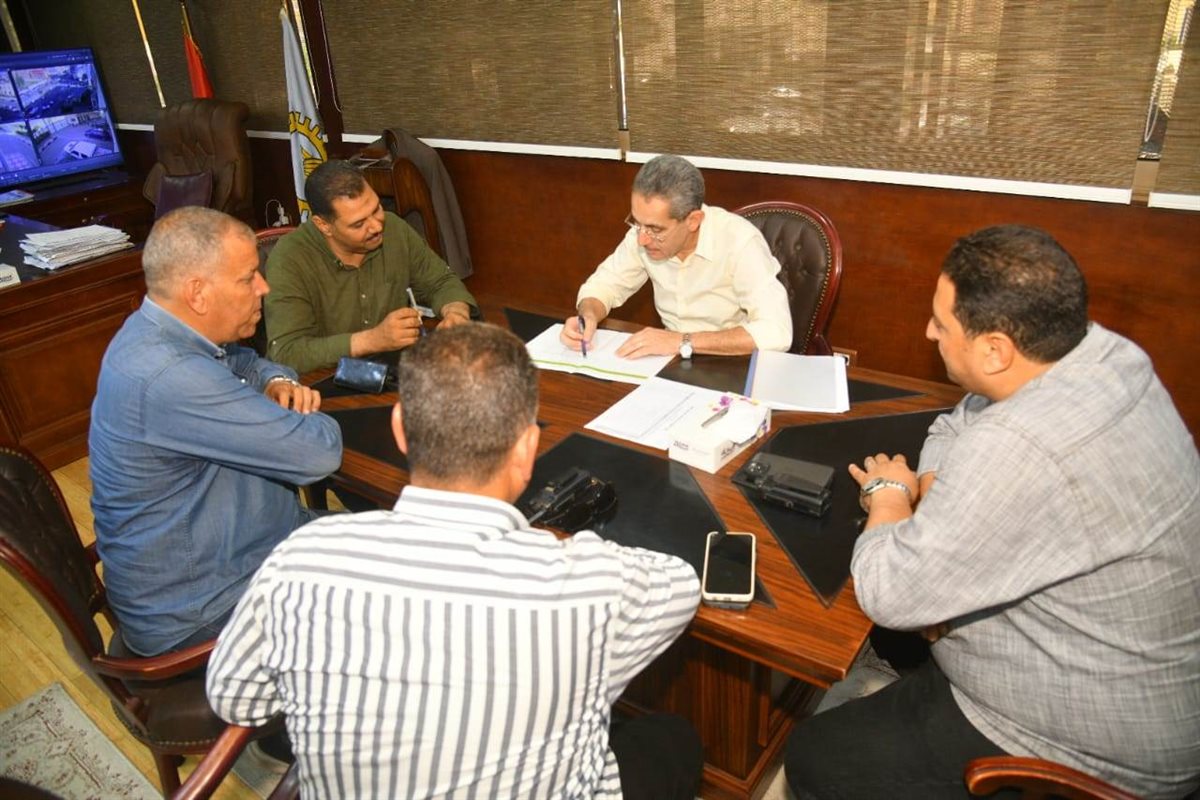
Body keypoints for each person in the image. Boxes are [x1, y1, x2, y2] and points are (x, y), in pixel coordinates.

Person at [785, 225, 1200, 799]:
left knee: (815, 756)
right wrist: (938, 494)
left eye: (941, 323)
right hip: (1134, 666)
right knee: (901, 637)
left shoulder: (1021, 445)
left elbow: (887, 592)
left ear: (996, 350)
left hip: (1099, 738)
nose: (929, 332)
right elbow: (956, 420)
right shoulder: (1104, 355)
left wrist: (889, 494)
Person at [207, 323, 704, 800]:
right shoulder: (588, 584)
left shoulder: (300, 559)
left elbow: (235, 698)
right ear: (528, 448)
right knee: (672, 740)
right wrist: (570, 549)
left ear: (400, 429)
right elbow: (682, 583)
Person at [89, 207, 343, 657]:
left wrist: (276, 381)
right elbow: (319, 453)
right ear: (198, 294)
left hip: (241, 548)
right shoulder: (170, 375)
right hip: (205, 605)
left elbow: (246, 361)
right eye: (248, 278)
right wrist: (300, 415)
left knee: (399, 543)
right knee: (402, 589)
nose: (263, 287)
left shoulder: (156, 329)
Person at [561, 154, 791, 359]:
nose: (642, 239)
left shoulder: (739, 241)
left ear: (693, 221)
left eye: (655, 229)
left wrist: (682, 341)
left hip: (732, 361)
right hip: (669, 360)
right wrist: (587, 316)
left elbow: (776, 332)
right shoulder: (643, 234)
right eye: (637, 223)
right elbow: (603, 286)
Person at [264, 159, 479, 373]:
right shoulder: (289, 259)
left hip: (390, 370)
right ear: (324, 225)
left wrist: (456, 313)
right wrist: (373, 340)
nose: (376, 226)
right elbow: (288, 352)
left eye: (376, 209)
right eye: (359, 224)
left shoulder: (394, 229)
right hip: (321, 380)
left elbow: (441, 282)